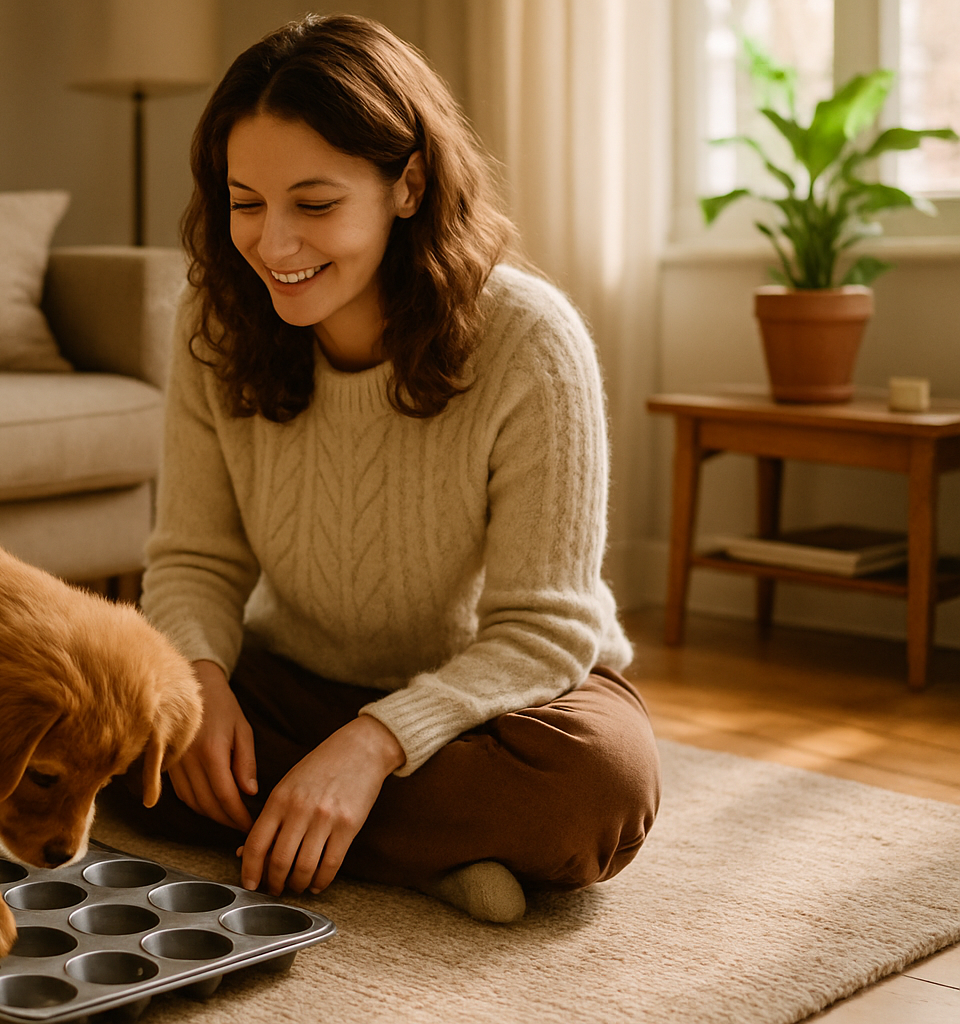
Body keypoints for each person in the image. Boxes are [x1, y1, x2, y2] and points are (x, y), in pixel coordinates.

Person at [105, 13, 660, 924]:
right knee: (101, 710)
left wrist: (373, 746)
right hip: (292, 673)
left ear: (406, 186)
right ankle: (420, 851)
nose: (274, 245)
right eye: (247, 203)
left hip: (492, 703)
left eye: (314, 205)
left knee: (602, 784)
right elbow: (198, 559)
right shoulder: (213, 322)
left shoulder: (531, 340)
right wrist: (197, 681)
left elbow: (541, 632)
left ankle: (318, 820)